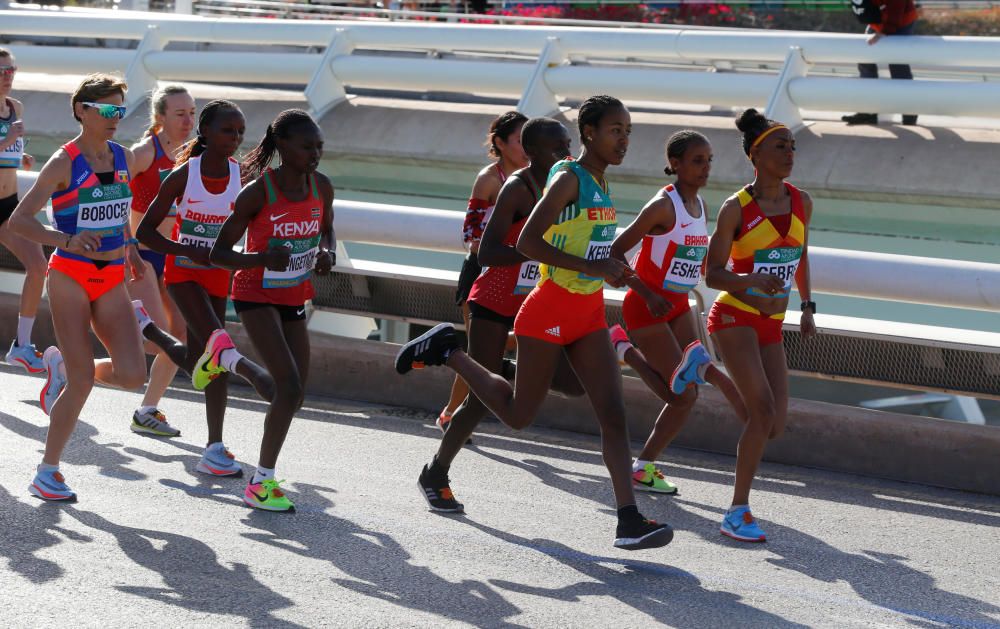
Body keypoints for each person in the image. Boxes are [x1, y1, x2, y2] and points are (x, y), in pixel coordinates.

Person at [396, 96, 674, 551]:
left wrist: (640, 288)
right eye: (615, 131)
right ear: (587, 133)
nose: (624, 140)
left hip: (586, 312)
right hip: (544, 308)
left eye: (628, 131)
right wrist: (589, 266)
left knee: (612, 413)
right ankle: (450, 351)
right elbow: (526, 242)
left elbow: (602, 254)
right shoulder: (567, 179)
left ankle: (628, 521)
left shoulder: (600, 183)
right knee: (519, 415)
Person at [417, 116, 585, 513]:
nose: (567, 154)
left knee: (574, 384)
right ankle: (436, 473)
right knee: (480, 398)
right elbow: (485, 252)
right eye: (558, 148)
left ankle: (505, 373)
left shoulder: (569, 186)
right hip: (493, 300)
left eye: (568, 145)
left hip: (538, 300)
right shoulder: (516, 188)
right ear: (532, 152)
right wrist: (532, 252)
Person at [9, 74, 153, 501]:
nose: (114, 119)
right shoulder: (64, 162)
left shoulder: (124, 157)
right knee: (83, 381)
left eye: (120, 111)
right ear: (81, 111)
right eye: (106, 110)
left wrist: (130, 247)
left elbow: (120, 210)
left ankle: (61, 372)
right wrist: (65, 240)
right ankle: (47, 472)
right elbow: (19, 222)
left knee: (132, 375)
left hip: (110, 276)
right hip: (70, 275)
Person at [137, 99, 274, 479]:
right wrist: (185, 248)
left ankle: (148, 330)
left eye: (240, 133)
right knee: (219, 346)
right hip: (182, 273)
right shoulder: (183, 175)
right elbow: (144, 232)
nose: (234, 138)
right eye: (227, 131)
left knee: (203, 364)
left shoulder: (239, 177)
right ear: (206, 133)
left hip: (218, 276)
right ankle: (214, 447)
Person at [608, 130, 747, 495]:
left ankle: (644, 465)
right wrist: (644, 290)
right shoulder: (662, 206)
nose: (705, 168)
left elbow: (687, 261)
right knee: (683, 396)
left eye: (709, 160)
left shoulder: (700, 206)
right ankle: (626, 352)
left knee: (692, 385)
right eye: (697, 161)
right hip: (647, 307)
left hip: (679, 306)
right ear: (675, 164)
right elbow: (615, 252)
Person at [212, 108, 335, 512]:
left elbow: (326, 227)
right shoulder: (258, 193)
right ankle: (261, 482)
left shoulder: (322, 186)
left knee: (295, 394)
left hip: (294, 295)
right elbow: (220, 253)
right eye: (307, 146)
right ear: (283, 146)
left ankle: (228, 360)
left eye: (319, 146)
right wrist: (261, 258)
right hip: (254, 293)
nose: (315, 153)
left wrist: (326, 251)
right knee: (290, 387)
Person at [704, 108, 816, 542]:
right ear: (756, 153)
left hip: (773, 321)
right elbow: (712, 274)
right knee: (763, 411)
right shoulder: (737, 208)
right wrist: (748, 278)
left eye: (792, 146)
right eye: (779, 146)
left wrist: (807, 304)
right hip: (734, 316)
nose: (789, 153)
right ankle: (737, 511)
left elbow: (801, 255)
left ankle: (707, 372)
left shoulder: (801, 201)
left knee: (774, 423)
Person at [441, 111, 528, 432]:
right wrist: (507, 249)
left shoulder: (540, 178)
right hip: (482, 274)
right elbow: (470, 236)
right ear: (501, 144)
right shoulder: (490, 179)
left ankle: (500, 368)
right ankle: (451, 414)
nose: (526, 147)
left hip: (522, 276)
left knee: (524, 340)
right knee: (479, 359)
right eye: (520, 140)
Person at [126, 85, 195, 437]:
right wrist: (126, 243)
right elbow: (113, 187)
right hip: (142, 255)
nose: (188, 121)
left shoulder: (194, 155)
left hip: (175, 256)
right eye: (180, 114)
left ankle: (147, 409)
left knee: (179, 336)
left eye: (192, 113)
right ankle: (74, 367)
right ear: (160, 117)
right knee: (157, 340)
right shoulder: (144, 152)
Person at [0, 47, 45, 373]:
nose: (7, 77)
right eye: (1, 71)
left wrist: (20, 157)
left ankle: (22, 344)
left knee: (38, 264)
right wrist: (6, 142)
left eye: (10, 70)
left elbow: (10, 153)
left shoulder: (15, 107)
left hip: (7, 206)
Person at [842, 0, 919, 126]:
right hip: (879, 18)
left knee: (897, 64)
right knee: (865, 60)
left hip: (901, 19)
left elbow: (897, 7)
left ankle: (909, 112)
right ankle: (868, 112)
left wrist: (884, 31)